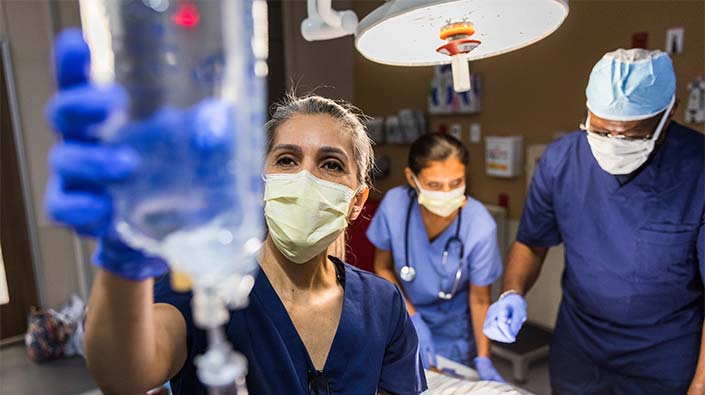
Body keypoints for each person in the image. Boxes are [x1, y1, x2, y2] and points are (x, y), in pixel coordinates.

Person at [44, 29, 427, 395]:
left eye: (330, 165)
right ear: (262, 180)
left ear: (357, 201)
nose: (305, 179)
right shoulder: (204, 285)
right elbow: (125, 375)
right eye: (287, 159)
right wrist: (123, 250)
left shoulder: (383, 304)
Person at [483, 48, 705, 394]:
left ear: (669, 113)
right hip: (579, 347)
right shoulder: (561, 161)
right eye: (600, 130)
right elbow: (531, 242)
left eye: (631, 135)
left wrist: (700, 385)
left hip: (664, 356)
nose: (613, 143)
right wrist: (512, 292)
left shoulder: (698, 170)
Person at [367, 133, 505, 381]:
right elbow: (382, 267)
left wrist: (484, 358)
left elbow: (480, 300)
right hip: (402, 320)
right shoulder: (395, 205)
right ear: (412, 178)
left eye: (456, 183)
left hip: (453, 335)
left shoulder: (479, 225)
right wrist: (412, 318)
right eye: (434, 185)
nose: (446, 193)